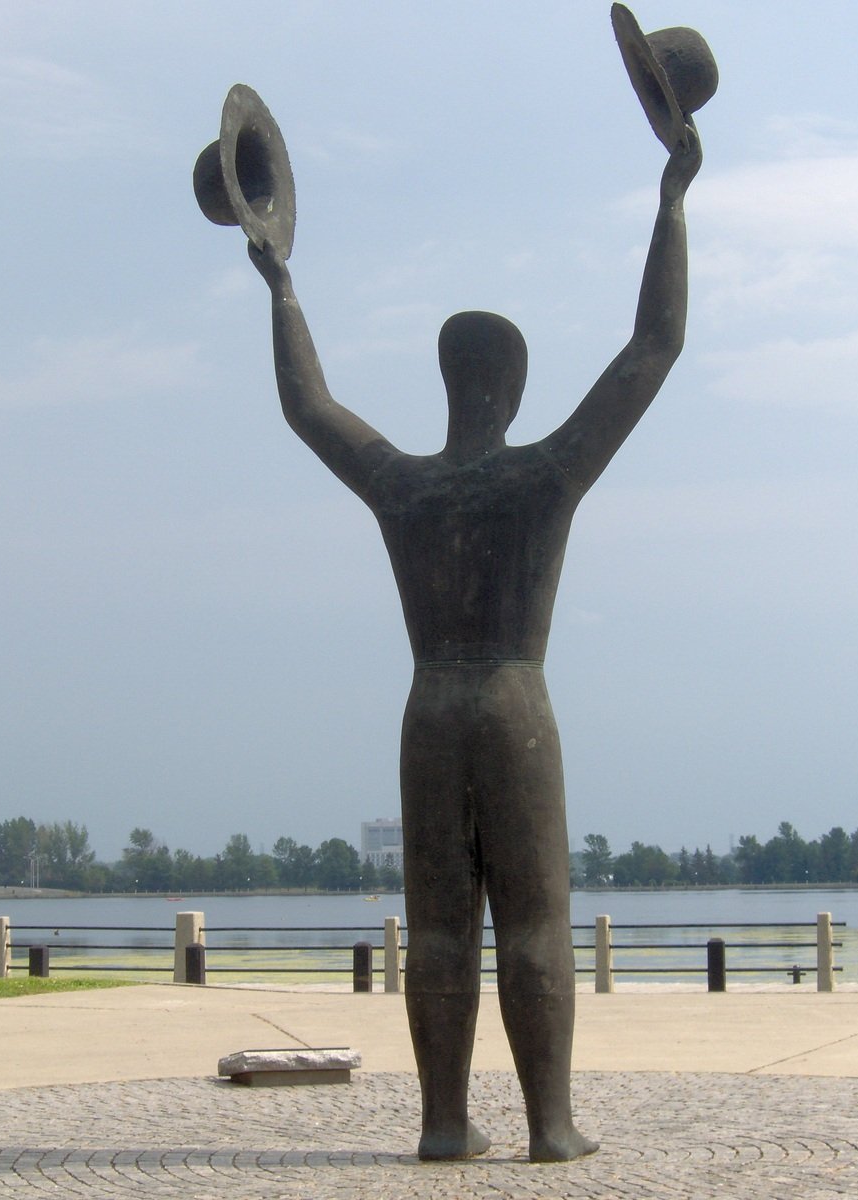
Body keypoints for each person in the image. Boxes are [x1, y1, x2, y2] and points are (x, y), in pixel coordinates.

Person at [248, 123, 702, 1161]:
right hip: (510, 699)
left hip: (427, 711)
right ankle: (551, 1124)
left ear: (448, 383)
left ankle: (445, 1124)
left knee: (442, 925)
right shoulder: (542, 477)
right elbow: (652, 349)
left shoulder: (405, 486)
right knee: (535, 921)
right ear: (514, 388)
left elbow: (308, 406)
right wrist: (672, 202)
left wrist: (281, 283)